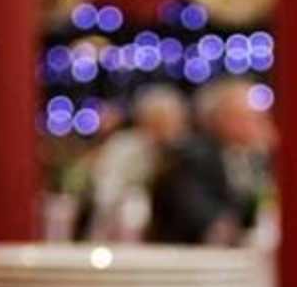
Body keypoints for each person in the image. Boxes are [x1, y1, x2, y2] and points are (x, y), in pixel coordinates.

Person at [148, 79, 272, 245]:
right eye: (249, 118)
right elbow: (205, 219)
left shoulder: (256, 158)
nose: (258, 125)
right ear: (221, 118)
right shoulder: (190, 157)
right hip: (189, 254)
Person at [86, 85, 187, 241]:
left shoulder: (185, 153)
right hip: (120, 228)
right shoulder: (123, 147)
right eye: (161, 121)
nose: (169, 128)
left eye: (173, 121)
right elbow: (106, 191)